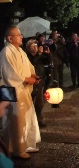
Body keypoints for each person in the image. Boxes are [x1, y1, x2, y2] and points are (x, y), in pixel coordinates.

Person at [0, 26, 41, 159]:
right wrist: (26, 79)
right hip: (11, 90)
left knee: (26, 117)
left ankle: (26, 144)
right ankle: (16, 149)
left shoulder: (21, 51)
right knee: (15, 119)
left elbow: (29, 66)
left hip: (23, 89)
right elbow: (9, 74)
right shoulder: (6, 52)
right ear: (10, 38)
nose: (21, 37)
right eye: (18, 35)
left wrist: (33, 75)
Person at [25, 39, 51, 128]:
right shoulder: (26, 57)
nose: (35, 47)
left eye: (36, 45)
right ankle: (29, 121)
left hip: (40, 81)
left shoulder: (40, 56)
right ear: (28, 48)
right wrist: (39, 55)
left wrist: (47, 54)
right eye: (32, 46)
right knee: (30, 103)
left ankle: (39, 120)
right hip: (30, 82)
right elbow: (32, 64)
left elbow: (47, 61)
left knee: (39, 103)